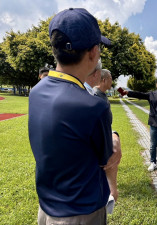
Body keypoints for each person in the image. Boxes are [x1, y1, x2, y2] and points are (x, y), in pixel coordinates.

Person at [29, 8, 120, 225]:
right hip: (82, 212)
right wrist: (114, 136)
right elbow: (106, 158)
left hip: (46, 209)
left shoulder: (37, 91)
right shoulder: (93, 105)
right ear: (93, 52)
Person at [123, 76, 157, 175]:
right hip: (154, 125)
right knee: (153, 146)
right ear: (156, 84)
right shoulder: (151, 94)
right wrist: (128, 92)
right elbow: (140, 94)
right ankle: (153, 163)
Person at [85, 64, 121, 201]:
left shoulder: (103, 95)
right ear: (104, 79)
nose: (112, 81)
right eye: (111, 78)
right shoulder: (94, 96)